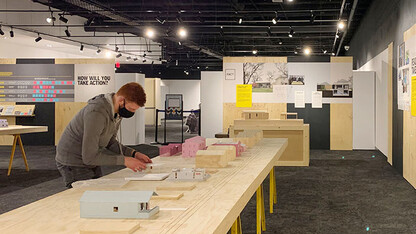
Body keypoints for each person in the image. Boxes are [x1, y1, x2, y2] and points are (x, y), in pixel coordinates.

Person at [55, 82, 152, 188]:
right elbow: (89, 157)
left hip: (91, 160)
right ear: (121, 100)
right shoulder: (96, 113)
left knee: (99, 193)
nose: (132, 113)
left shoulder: (116, 112)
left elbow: (110, 142)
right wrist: (124, 160)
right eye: (131, 109)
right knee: (85, 198)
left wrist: (134, 154)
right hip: (73, 162)